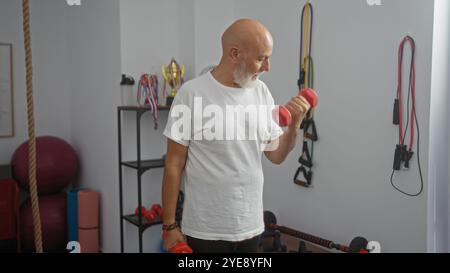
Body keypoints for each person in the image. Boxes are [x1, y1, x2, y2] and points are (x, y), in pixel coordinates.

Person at [161, 18, 311, 253]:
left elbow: (276, 156)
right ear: (234, 54)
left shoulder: (262, 92)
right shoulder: (190, 94)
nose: (267, 67)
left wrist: (294, 127)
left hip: (250, 227)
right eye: (261, 58)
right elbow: (173, 163)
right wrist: (169, 226)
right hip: (205, 231)